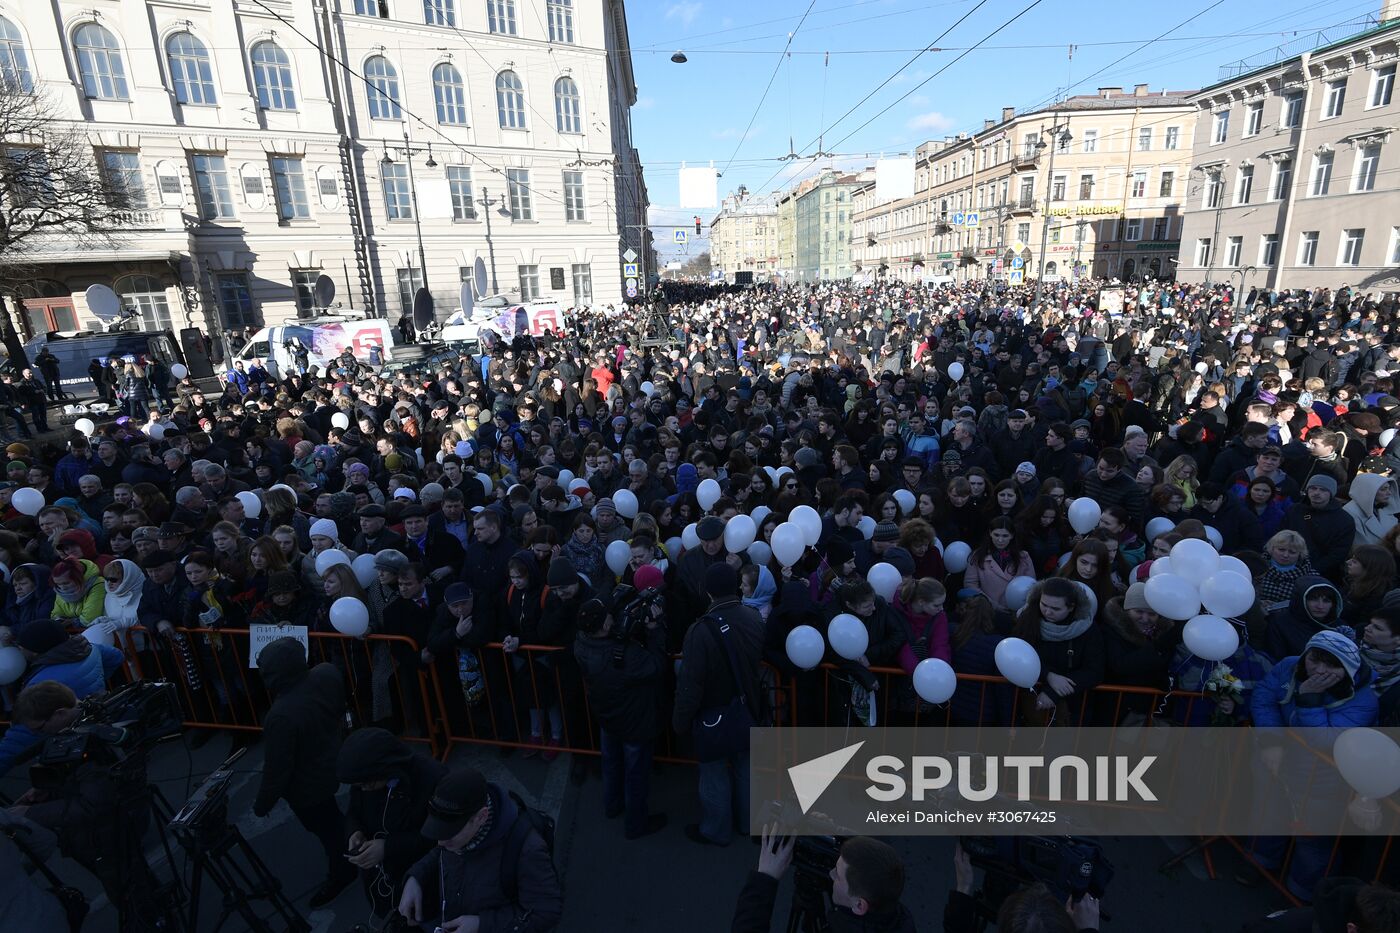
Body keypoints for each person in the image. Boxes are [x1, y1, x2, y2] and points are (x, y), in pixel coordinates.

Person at [252, 636, 357, 909]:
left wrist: (263, 804)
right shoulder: (325, 672)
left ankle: (343, 872)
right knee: (336, 822)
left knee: (329, 831)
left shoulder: (281, 714)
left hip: (309, 785)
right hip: (337, 757)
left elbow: (278, 768)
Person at [397, 768, 563, 931]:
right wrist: (416, 877)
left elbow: (545, 913)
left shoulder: (527, 849)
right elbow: (441, 853)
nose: (440, 842)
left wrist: (481, 924)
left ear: (481, 817)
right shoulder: (456, 836)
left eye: (450, 833)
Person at [673, 562, 768, 847]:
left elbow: (690, 684)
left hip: (713, 715)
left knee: (714, 774)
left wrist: (680, 721)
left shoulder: (699, 631)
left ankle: (716, 830)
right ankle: (748, 824)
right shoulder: (753, 617)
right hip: (750, 708)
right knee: (746, 769)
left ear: (708, 592)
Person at [573, 589, 669, 839]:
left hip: (607, 716)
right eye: (607, 616)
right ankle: (636, 824)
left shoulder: (581, 643)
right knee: (635, 774)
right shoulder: (623, 655)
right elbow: (656, 666)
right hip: (634, 721)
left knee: (611, 764)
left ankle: (612, 805)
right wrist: (654, 631)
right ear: (604, 625)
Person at [335, 727, 447, 920]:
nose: (365, 790)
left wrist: (387, 847)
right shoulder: (365, 779)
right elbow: (354, 811)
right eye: (360, 786)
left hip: (424, 883)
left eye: (367, 784)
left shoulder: (432, 779)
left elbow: (440, 837)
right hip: (384, 882)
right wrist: (355, 832)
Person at [731, 827, 916, 932]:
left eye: (837, 875)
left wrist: (764, 879)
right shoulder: (901, 921)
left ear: (860, 905)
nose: (830, 875)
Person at [0, 620, 124, 775]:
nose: (19, 648)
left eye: (22, 646)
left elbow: (21, 736)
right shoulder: (89, 649)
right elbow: (117, 657)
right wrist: (98, 680)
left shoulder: (40, 685)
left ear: (35, 652)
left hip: (71, 746)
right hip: (97, 725)